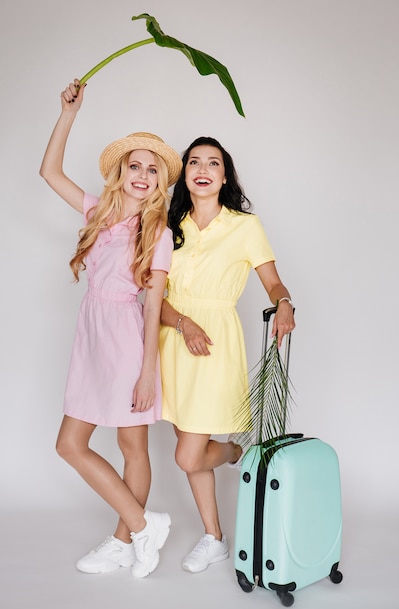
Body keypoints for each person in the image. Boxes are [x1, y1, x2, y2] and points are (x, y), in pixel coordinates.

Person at [39, 79, 182, 578]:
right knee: (70, 444)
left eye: (152, 169)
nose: (142, 174)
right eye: (135, 165)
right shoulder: (99, 211)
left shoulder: (157, 232)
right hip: (91, 336)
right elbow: (49, 171)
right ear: (121, 171)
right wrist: (68, 113)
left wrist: (147, 373)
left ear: (161, 181)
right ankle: (145, 526)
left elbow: (152, 307)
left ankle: (126, 540)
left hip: (126, 337)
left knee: (131, 446)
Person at [159, 137, 295, 573]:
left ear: (224, 174)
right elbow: (152, 296)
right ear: (185, 173)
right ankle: (214, 537)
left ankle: (236, 453)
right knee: (188, 445)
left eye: (213, 162)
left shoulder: (244, 226)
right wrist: (182, 322)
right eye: (194, 161)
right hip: (173, 340)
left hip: (214, 344)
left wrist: (285, 303)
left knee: (187, 454)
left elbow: (273, 282)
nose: (203, 168)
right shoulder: (167, 224)